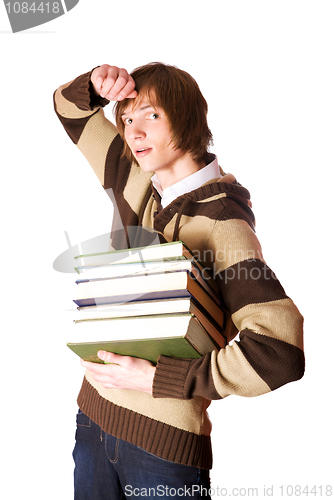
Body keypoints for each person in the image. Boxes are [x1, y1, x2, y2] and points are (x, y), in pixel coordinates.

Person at [54, 63, 305, 499]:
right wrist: (95, 82)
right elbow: (68, 110)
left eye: (150, 115)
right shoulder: (133, 177)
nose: (133, 131)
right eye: (127, 118)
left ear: (187, 121)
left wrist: (160, 380)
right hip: (92, 418)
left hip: (162, 446)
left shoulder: (222, 221)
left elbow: (279, 353)